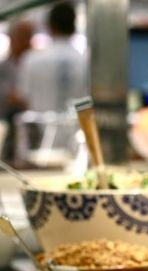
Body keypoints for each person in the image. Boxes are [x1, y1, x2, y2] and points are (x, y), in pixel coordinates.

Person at [17, 2, 87, 113]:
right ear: (74, 26)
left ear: (50, 26)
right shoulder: (85, 62)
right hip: (75, 128)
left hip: (40, 128)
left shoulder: (32, 60)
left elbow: (24, 97)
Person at [0, 20, 33, 161]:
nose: (26, 41)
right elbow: (9, 96)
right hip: (9, 126)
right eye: (23, 36)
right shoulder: (4, 67)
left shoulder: (33, 62)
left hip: (31, 128)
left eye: (28, 36)